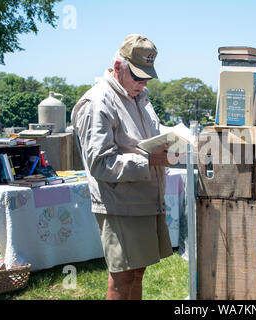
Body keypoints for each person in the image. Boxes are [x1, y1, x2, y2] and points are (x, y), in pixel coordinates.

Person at [71, 34, 173, 300]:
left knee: (137, 272)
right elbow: (100, 163)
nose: (142, 83)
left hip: (143, 200)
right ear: (118, 67)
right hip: (119, 202)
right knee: (123, 276)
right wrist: (150, 160)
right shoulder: (98, 102)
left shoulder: (139, 96)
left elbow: (148, 137)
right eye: (138, 76)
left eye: (147, 77)